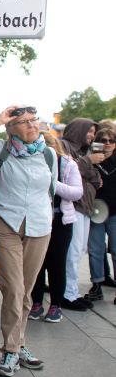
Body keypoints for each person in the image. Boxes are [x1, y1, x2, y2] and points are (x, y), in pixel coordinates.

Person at [0, 106, 57, 377]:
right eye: (23, 122)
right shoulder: (1, 149)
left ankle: (19, 344)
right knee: (13, 287)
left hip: (39, 226)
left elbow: (51, 191)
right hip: (6, 223)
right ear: (12, 129)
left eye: (34, 120)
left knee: (26, 290)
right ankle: (10, 350)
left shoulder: (49, 154)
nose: (32, 126)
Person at [29, 133, 83, 323]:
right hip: (37, 218)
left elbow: (77, 192)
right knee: (37, 263)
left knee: (57, 264)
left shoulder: (68, 164)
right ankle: (35, 303)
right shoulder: (31, 162)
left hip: (61, 220)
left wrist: (52, 181)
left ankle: (55, 305)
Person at [60, 118, 103, 310]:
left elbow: (95, 178)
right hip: (72, 207)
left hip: (85, 206)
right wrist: (87, 162)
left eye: (94, 132)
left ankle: (73, 291)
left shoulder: (84, 151)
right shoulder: (64, 146)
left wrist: (88, 165)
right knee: (73, 251)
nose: (92, 135)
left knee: (79, 251)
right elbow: (67, 170)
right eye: (90, 131)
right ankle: (67, 294)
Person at [86, 128, 116, 302]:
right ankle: (97, 284)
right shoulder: (92, 159)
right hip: (96, 210)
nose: (106, 144)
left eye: (110, 140)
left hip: (114, 212)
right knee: (95, 250)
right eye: (102, 140)